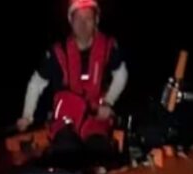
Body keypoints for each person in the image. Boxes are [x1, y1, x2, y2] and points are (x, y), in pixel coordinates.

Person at [16, 0, 128, 151]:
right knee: (66, 148)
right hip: (66, 121)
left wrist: (108, 102)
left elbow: (121, 74)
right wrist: (27, 116)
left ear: (96, 20)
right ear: (70, 20)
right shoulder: (58, 52)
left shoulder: (108, 47)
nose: (83, 24)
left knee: (99, 149)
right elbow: (36, 84)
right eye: (78, 18)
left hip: (95, 119)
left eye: (88, 18)